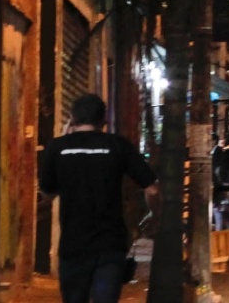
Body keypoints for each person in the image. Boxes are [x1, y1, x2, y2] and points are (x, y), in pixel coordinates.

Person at [38, 93, 159, 303]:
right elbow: (153, 189)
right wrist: (154, 215)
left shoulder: (56, 148)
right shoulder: (118, 145)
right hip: (110, 247)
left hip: (73, 246)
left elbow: (47, 192)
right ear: (104, 121)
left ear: (72, 119)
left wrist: (66, 142)